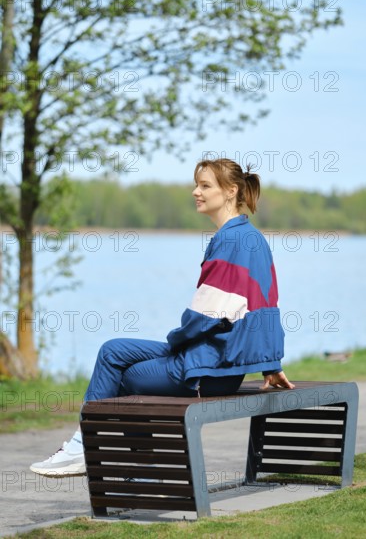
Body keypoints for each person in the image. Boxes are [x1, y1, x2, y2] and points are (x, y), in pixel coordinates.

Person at [30, 158, 294, 477]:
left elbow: (205, 316)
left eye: (205, 185)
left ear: (231, 191)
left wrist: (176, 341)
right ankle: (85, 446)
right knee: (113, 350)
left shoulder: (229, 241)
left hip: (207, 368)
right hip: (217, 362)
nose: (196, 192)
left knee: (128, 378)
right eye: (196, 184)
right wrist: (271, 365)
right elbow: (265, 308)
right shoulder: (252, 239)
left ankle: (115, 458)